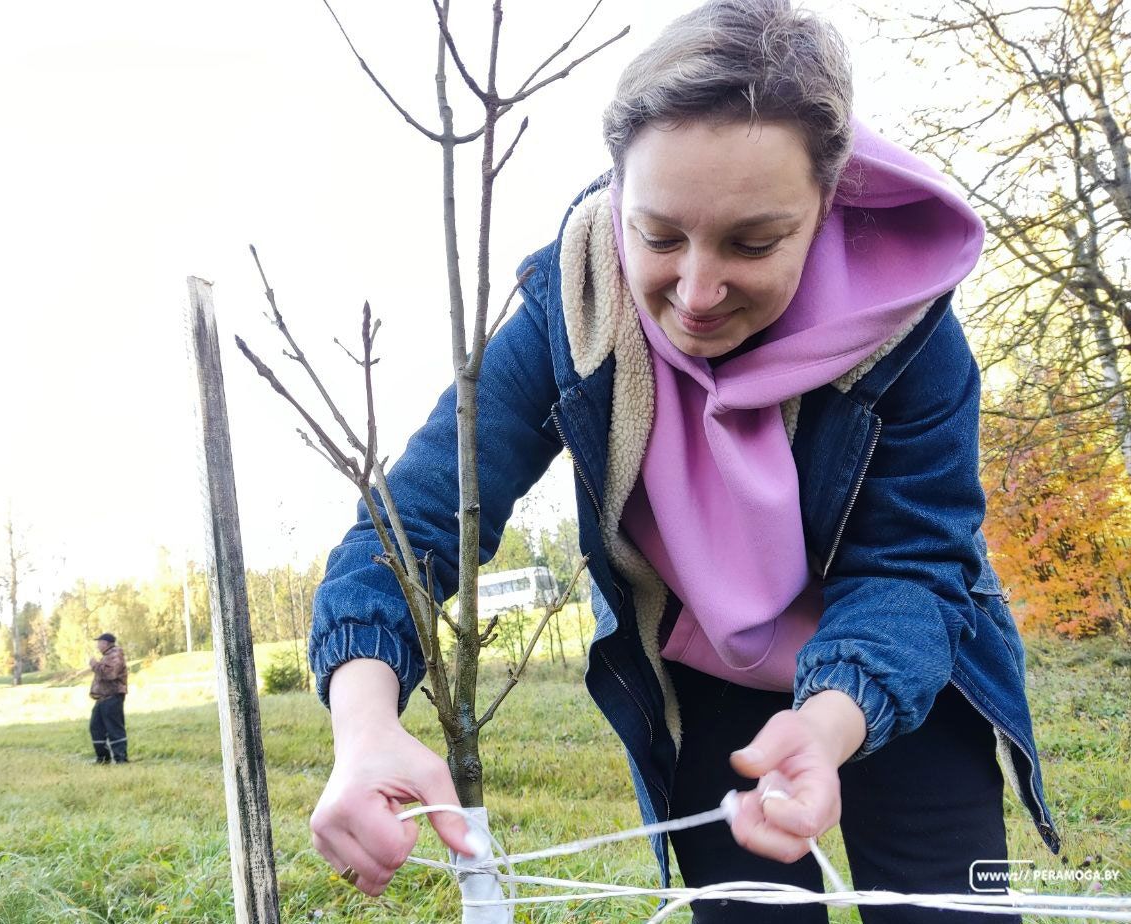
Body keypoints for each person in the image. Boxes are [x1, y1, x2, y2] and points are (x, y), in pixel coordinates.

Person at [306, 1, 1060, 920]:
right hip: (706, 683)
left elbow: (911, 567)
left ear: (827, 203)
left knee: (942, 909)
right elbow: (413, 522)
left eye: (754, 242)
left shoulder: (909, 333)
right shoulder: (573, 307)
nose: (697, 294)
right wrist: (365, 724)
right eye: (659, 236)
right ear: (617, 188)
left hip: (904, 673)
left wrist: (827, 724)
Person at [89, 631, 128, 764]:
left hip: (113, 697)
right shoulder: (107, 656)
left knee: (114, 728)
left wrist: (94, 664)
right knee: (95, 727)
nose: (98, 646)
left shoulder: (115, 655)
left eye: (99, 643)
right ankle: (103, 758)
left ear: (106, 643)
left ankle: (121, 758)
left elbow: (110, 674)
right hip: (102, 698)